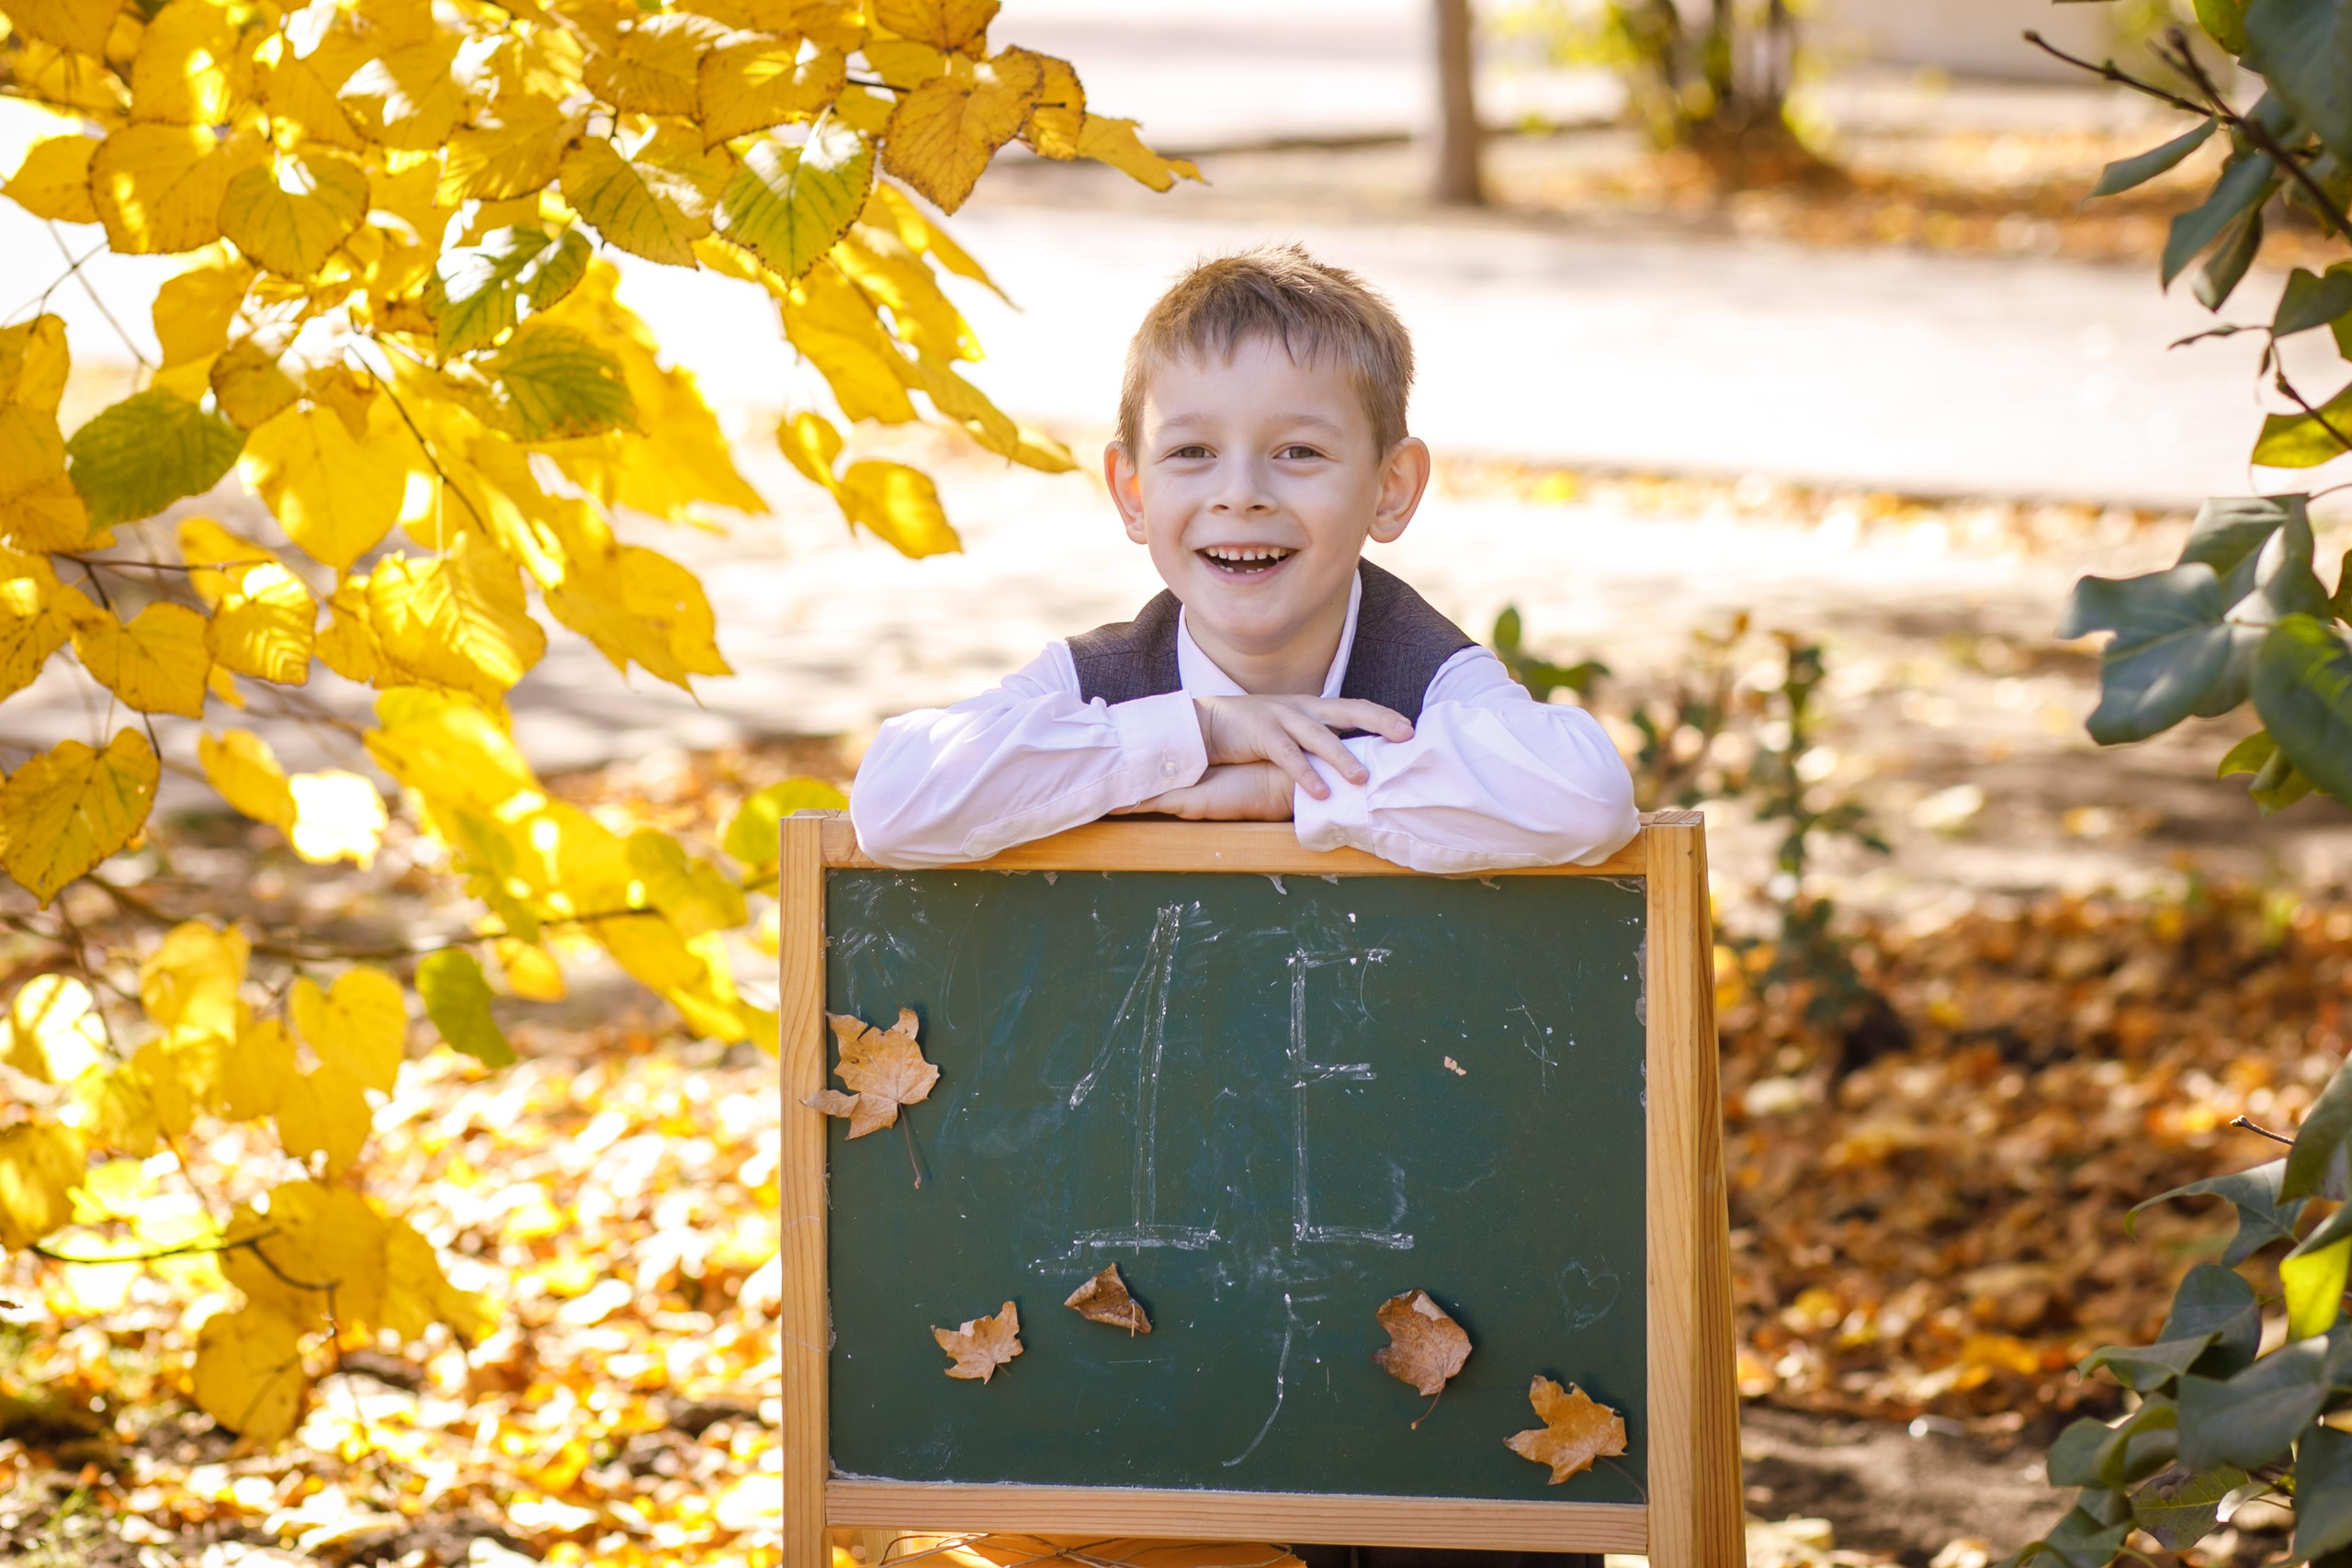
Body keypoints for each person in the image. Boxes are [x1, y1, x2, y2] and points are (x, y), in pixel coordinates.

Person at [851, 243, 1637, 877]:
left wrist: (1291, 789)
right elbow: (894, 800)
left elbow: (1588, 797)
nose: (1241, 494)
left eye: (1298, 451)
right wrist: (1202, 732)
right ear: (1131, 491)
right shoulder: (1095, 680)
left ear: (1390, 489)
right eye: (1191, 451)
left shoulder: (1431, 677)